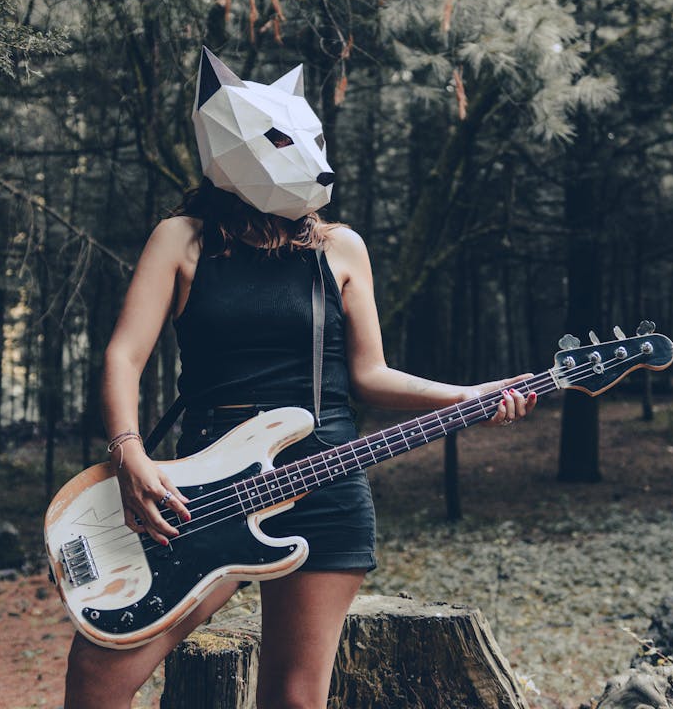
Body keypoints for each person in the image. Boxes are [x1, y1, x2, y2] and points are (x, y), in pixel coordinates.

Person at [63, 48, 536, 709]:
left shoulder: (340, 248)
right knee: (98, 674)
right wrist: (129, 452)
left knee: (294, 698)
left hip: (326, 483)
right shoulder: (181, 238)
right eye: (284, 140)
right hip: (206, 489)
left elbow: (369, 374)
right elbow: (123, 356)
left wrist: (466, 396)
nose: (311, 156)